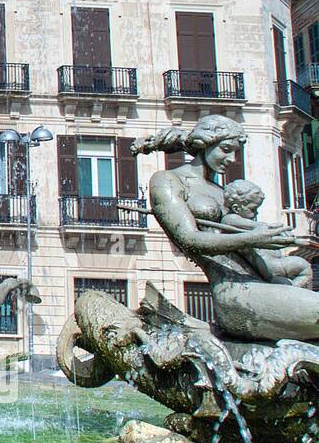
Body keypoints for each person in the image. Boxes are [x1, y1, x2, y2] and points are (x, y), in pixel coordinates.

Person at [136, 114, 319, 342]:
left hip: (261, 282)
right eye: (225, 149)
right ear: (205, 144)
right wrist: (254, 239)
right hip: (236, 295)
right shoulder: (167, 181)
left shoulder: (222, 192)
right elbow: (188, 238)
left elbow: (248, 240)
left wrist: (270, 238)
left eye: (235, 152)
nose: (232, 159)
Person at [221, 179, 312, 287]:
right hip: (272, 266)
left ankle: (291, 291)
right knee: (304, 268)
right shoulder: (230, 219)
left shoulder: (242, 221)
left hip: (272, 266)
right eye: (253, 209)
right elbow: (257, 225)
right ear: (236, 208)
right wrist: (273, 228)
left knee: (287, 283)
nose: (256, 213)